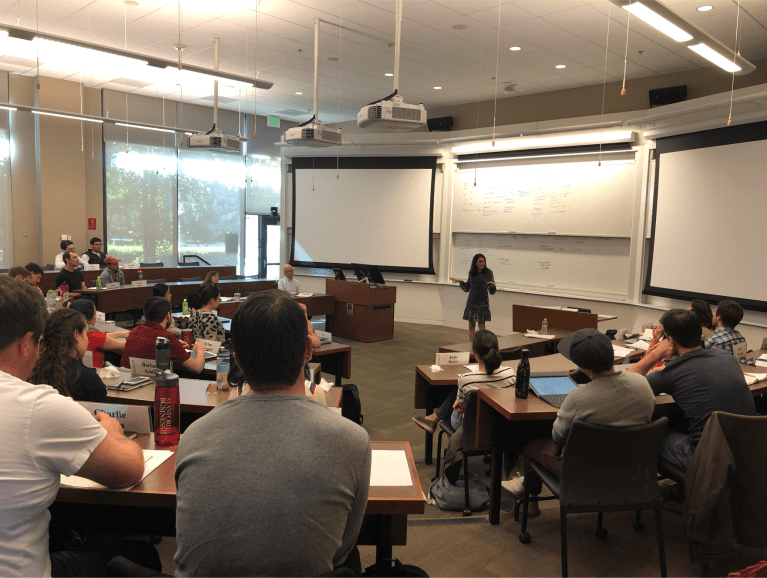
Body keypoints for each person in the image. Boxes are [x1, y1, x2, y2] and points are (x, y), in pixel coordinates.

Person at [174, 290, 371, 576]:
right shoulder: (352, 439)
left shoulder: (194, 434)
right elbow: (341, 547)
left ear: (237, 358)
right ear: (307, 350)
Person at [0, 277, 156, 577]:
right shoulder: (38, 407)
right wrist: (113, 434)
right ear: (25, 343)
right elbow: (130, 468)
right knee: (141, 554)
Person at [504, 328, 656, 513]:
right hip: (629, 467)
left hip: (583, 471)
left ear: (584, 368)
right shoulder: (643, 384)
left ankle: (529, 497)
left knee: (531, 444)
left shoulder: (578, 398)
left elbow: (557, 435)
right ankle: (524, 486)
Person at [629, 309, 755, 471]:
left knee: (646, 435)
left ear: (670, 341)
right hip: (746, 453)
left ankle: (650, 493)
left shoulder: (672, 372)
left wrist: (655, 355)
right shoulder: (727, 358)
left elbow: (626, 385)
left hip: (706, 460)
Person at [29, 308, 108, 402]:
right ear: (76, 335)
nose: (87, 339)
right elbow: (102, 414)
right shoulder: (88, 379)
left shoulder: (32, 370)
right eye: (85, 333)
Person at [120, 297, 205, 374]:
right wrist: (201, 351)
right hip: (153, 386)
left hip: (129, 380)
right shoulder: (166, 338)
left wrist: (176, 346)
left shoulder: (134, 331)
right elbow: (197, 368)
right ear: (168, 315)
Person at [68, 298, 130, 368]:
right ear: (88, 320)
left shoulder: (70, 331)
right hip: (96, 373)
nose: (96, 316)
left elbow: (102, 337)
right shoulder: (94, 336)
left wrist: (122, 334)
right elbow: (124, 345)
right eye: (95, 313)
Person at [450, 253, 496, 341]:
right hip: (472, 301)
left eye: (483, 261)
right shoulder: (472, 273)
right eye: (479, 261)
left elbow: (492, 291)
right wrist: (460, 282)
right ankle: (471, 345)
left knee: (482, 326)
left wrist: (492, 286)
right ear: (475, 263)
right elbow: (467, 287)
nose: (482, 263)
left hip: (483, 302)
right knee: (471, 326)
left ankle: (482, 344)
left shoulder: (488, 273)